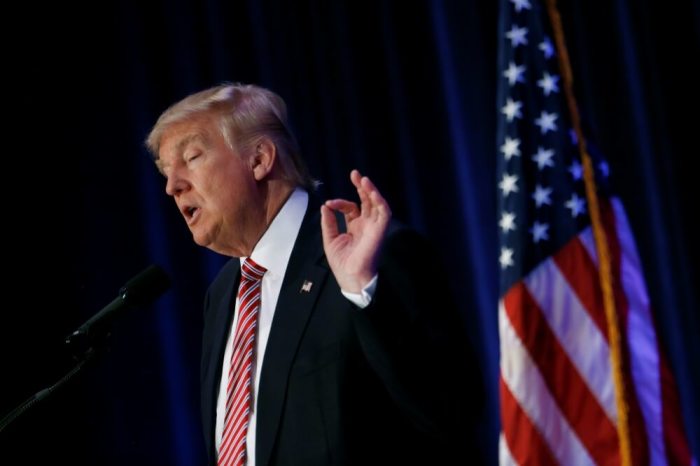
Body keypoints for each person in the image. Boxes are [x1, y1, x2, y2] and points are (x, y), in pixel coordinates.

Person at [145, 82, 485, 465]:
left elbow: (453, 412)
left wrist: (363, 293)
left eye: (190, 157)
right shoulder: (223, 294)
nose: (173, 186)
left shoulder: (369, 253)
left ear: (259, 159)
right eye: (165, 173)